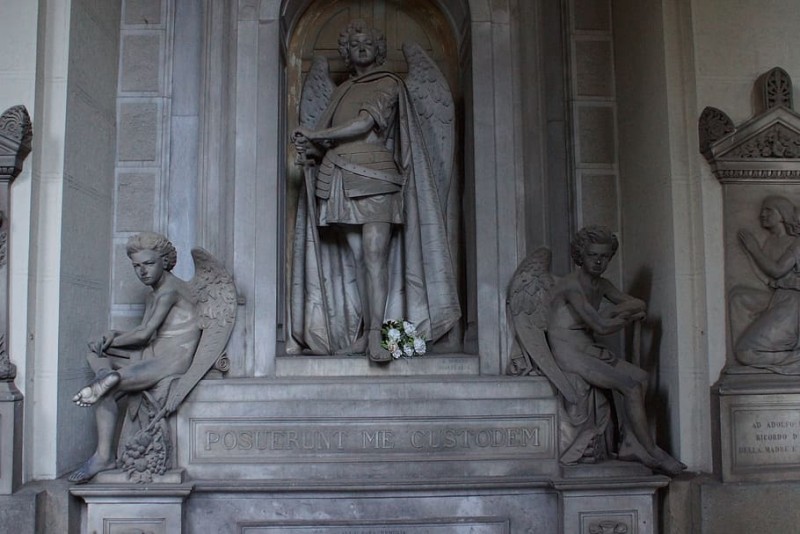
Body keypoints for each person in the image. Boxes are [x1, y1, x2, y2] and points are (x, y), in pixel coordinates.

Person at [291, 19, 459, 361]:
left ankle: (376, 338)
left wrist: (315, 135)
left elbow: (364, 124)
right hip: (337, 177)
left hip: (376, 175)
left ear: (379, 49)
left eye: (368, 43)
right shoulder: (339, 92)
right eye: (355, 45)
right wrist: (308, 149)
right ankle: (364, 332)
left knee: (374, 255)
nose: (362, 48)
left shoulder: (388, 82)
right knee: (357, 260)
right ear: (347, 53)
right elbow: (325, 138)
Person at [547, 226, 685, 475]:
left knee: (641, 378)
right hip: (568, 351)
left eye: (604, 256)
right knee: (630, 386)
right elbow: (599, 326)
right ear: (580, 255)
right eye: (592, 255)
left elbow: (636, 302)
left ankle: (631, 442)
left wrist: (620, 311)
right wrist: (621, 316)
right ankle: (653, 451)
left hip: (587, 346)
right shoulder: (571, 287)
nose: (599, 261)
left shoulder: (602, 285)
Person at [68, 232, 201, 483]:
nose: (142, 271)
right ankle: (104, 376)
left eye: (148, 264)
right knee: (95, 354)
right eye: (136, 266)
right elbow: (145, 333)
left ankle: (103, 455)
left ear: (165, 260)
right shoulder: (156, 292)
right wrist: (112, 336)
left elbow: (144, 334)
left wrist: (113, 339)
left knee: (110, 379)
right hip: (153, 354)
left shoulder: (169, 290)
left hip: (171, 360)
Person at [732, 195, 800, 372]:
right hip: (779, 295)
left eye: (768, 210)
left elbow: (777, 270)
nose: (762, 214)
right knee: (737, 297)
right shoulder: (774, 241)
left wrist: (753, 248)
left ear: (782, 215)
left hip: (791, 301)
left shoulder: (796, 243)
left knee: (745, 351)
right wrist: (750, 251)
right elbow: (770, 278)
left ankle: (794, 358)